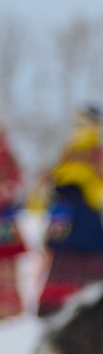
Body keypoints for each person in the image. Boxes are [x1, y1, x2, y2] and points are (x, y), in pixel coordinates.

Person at [35, 105, 103, 316]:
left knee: (74, 252)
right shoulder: (78, 147)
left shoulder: (89, 147)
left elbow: (100, 181)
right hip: (74, 208)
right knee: (75, 252)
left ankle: (71, 302)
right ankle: (77, 303)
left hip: (78, 209)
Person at [0, 116, 28, 320]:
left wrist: (7, 189)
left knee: (7, 263)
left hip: (4, 217)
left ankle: (8, 308)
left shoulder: (8, 155)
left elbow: (17, 179)